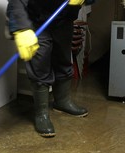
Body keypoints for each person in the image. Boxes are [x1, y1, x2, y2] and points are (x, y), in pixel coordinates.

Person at [6, 0, 94, 137]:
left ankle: (62, 101)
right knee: (39, 65)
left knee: (63, 60)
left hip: (63, 20)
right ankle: (41, 114)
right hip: (36, 21)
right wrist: (21, 28)